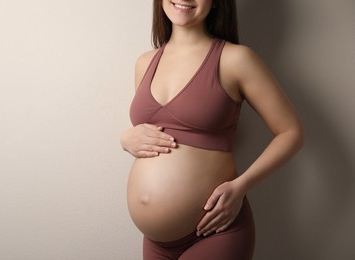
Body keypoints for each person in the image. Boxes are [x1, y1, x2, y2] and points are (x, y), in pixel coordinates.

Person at [120, 0, 304, 259]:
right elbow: (151, 134)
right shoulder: (145, 62)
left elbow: (291, 131)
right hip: (155, 243)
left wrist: (241, 187)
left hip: (217, 232)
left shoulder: (235, 59)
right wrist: (126, 139)